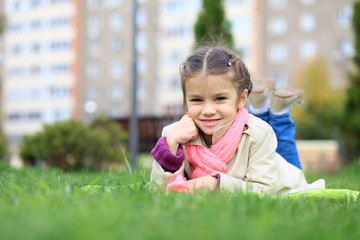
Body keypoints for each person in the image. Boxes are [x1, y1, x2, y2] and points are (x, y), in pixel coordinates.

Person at [150, 45, 324, 195]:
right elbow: (159, 193)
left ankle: (280, 113)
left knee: (284, 150)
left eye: (219, 98)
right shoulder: (173, 135)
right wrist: (170, 146)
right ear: (185, 101)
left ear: (241, 99)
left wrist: (215, 184)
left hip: (285, 180)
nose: (208, 111)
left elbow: (265, 190)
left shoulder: (258, 133)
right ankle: (263, 106)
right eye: (196, 100)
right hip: (259, 151)